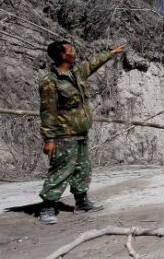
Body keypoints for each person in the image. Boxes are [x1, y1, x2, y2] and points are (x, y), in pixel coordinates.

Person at [38, 41, 125, 224]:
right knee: (61, 170)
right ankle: (48, 206)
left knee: (82, 169)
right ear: (62, 55)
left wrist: (110, 53)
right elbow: (48, 111)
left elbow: (92, 63)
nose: (74, 51)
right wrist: (49, 138)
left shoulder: (76, 73)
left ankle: (81, 202)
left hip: (81, 133)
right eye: (70, 50)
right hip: (63, 135)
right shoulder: (51, 81)